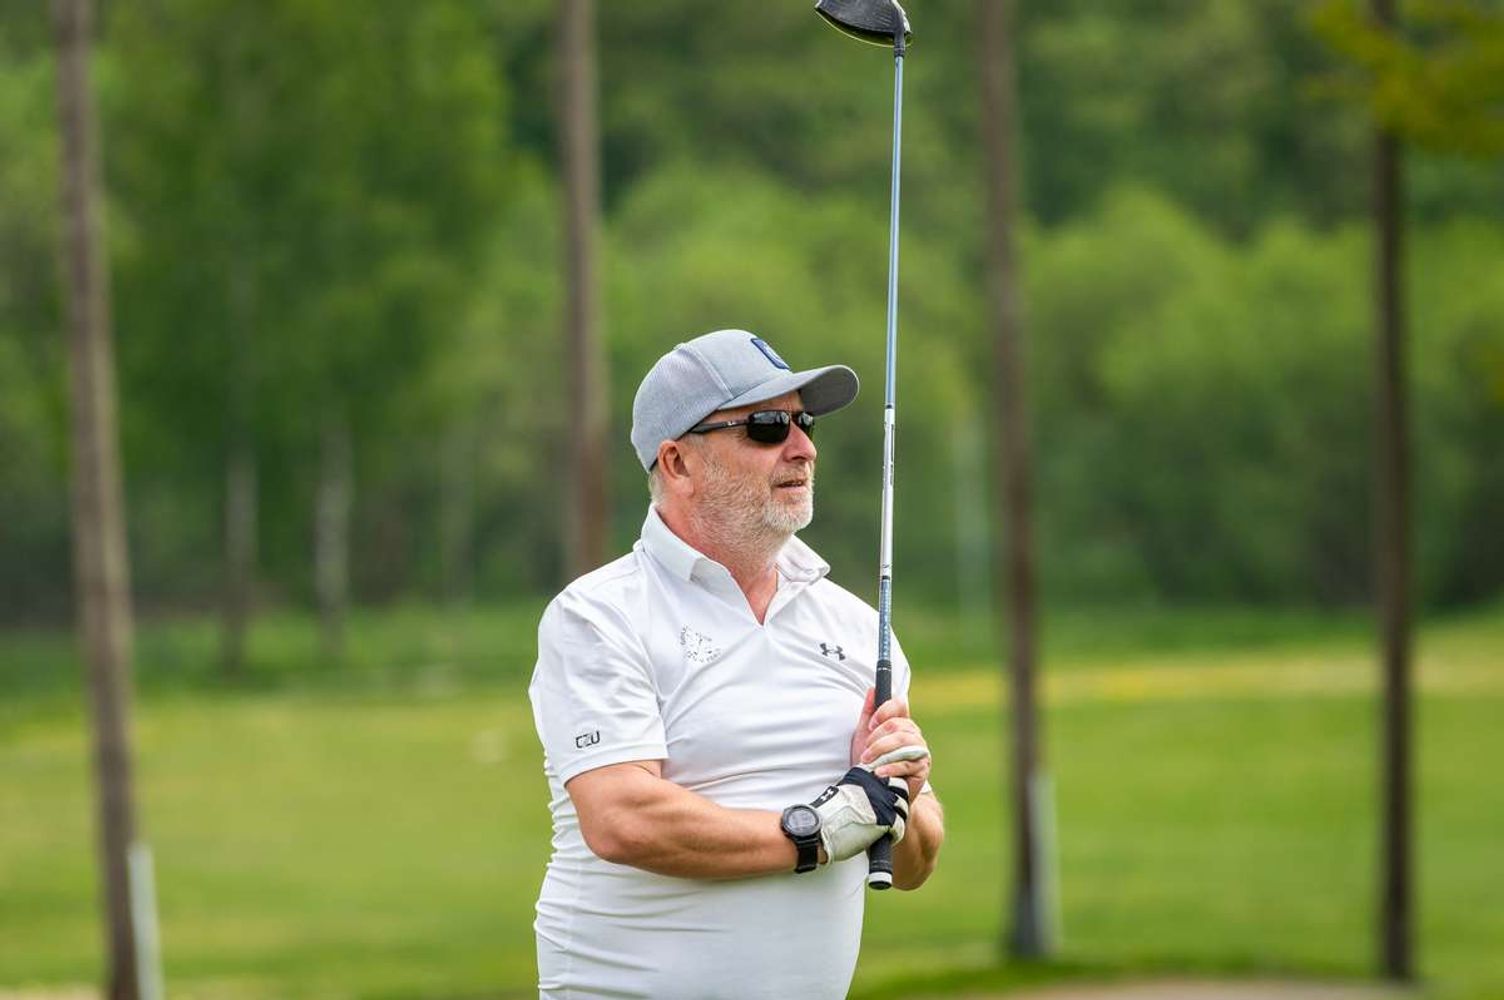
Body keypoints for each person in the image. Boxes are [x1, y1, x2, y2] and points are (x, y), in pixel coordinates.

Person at [528, 328, 944, 999]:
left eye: (805, 423)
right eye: (768, 426)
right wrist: (819, 830)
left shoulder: (859, 627)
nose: (803, 447)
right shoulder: (598, 616)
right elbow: (624, 819)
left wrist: (905, 790)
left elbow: (912, 864)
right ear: (678, 463)